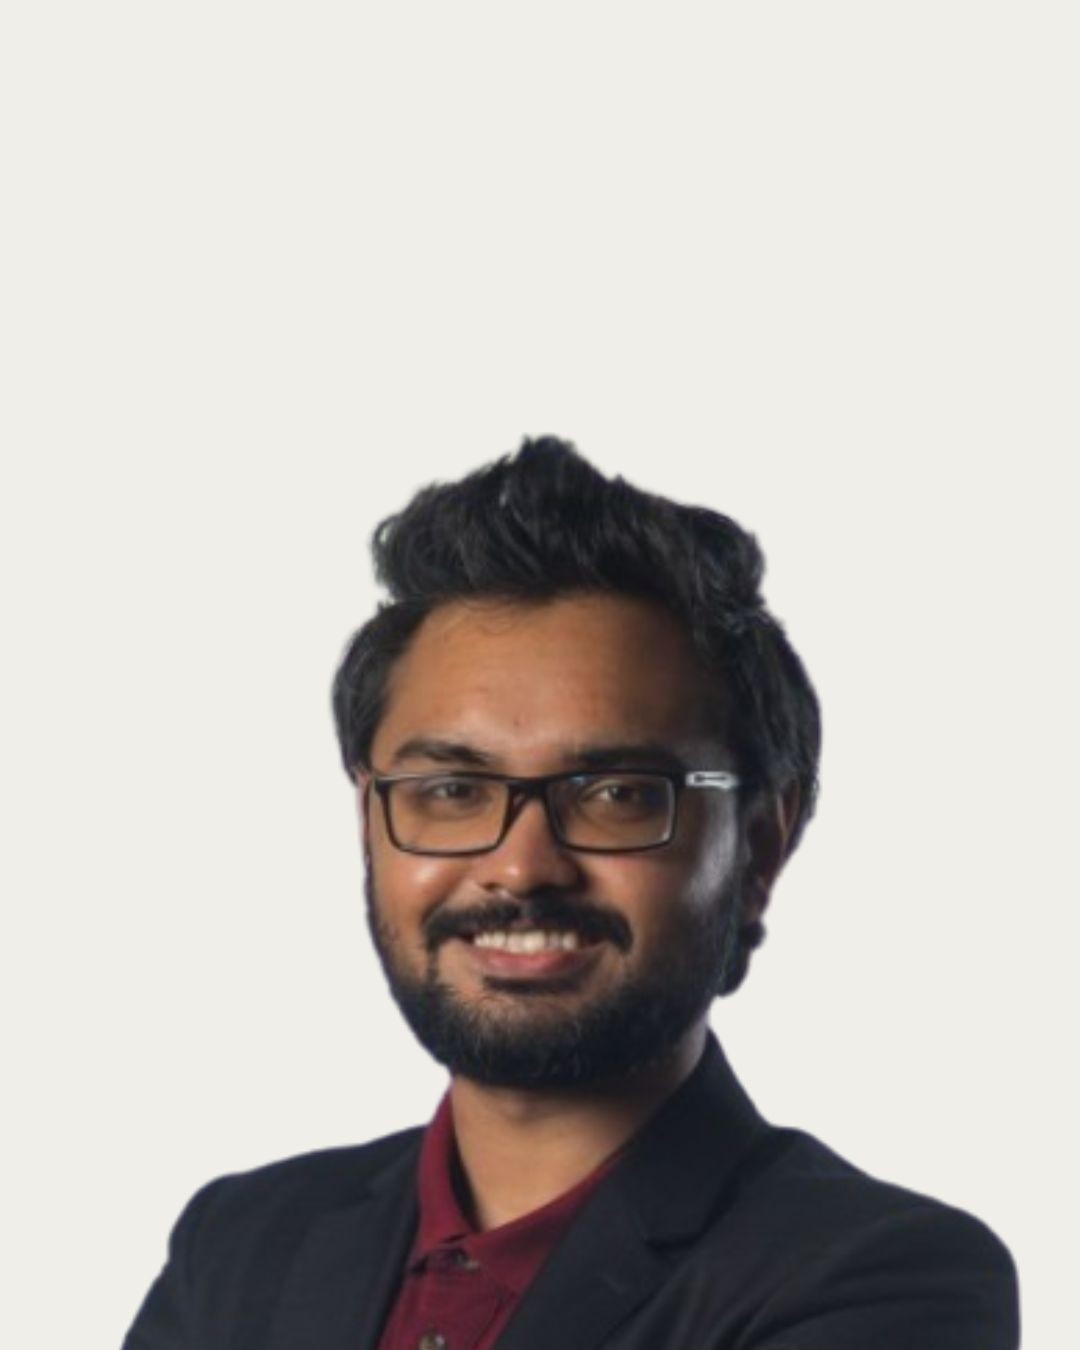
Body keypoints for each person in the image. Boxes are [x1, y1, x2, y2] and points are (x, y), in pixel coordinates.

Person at [124, 438, 1019, 1349]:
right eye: (452, 790)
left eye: (616, 795)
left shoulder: (882, 1278)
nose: (521, 868)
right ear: (369, 823)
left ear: (759, 847)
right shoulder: (242, 1243)